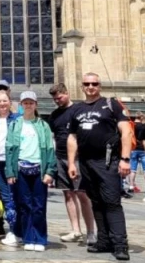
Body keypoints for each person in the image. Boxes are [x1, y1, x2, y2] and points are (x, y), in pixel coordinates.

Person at [67, 73, 132, 261]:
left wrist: (125, 159)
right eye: (86, 83)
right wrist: (72, 162)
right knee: (96, 202)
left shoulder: (111, 105)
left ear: (100, 86)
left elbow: (126, 131)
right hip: (86, 162)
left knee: (112, 202)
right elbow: (72, 137)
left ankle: (120, 244)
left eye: (94, 83)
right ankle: (104, 240)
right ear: (82, 86)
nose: (90, 86)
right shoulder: (77, 109)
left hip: (108, 161)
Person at [5, 91, 56, 252]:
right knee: (25, 206)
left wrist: (50, 171)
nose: (28, 105)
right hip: (21, 169)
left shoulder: (43, 125)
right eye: (25, 103)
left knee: (39, 206)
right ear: (21, 105)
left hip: (39, 169)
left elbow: (49, 149)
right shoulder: (15, 124)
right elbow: (9, 150)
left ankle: (40, 238)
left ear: (36, 105)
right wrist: (10, 172)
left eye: (31, 103)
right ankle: (28, 238)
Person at [48, 83, 97, 243]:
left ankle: (90, 232)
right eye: (55, 99)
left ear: (67, 93)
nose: (57, 101)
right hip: (60, 156)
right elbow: (53, 136)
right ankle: (76, 230)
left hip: (77, 158)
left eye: (60, 97)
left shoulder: (78, 110)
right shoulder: (54, 115)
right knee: (67, 193)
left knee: (82, 194)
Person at [0, 90, 20, 246]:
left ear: (10, 102)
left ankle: (16, 230)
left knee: (14, 196)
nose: (2, 104)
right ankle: (13, 230)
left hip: (11, 162)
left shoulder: (17, 119)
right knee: (5, 197)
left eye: (4, 101)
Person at [129, 113, 145, 194]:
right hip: (143, 149)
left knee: (133, 169)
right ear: (141, 117)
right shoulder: (144, 126)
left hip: (133, 148)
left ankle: (131, 186)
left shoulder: (132, 126)